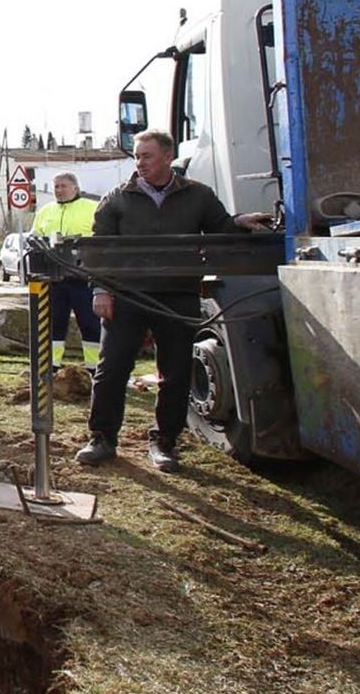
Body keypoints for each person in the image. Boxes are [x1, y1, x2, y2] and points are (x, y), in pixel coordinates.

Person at [77, 129, 271, 473]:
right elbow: (99, 249)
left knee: (176, 372)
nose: (140, 163)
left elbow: (220, 227)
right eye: (137, 157)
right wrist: (100, 290)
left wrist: (239, 222)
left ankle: (164, 442)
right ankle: (101, 438)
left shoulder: (198, 196)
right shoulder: (117, 198)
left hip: (177, 295)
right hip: (126, 296)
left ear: (168, 157)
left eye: (147, 156)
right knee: (112, 370)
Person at [30, 172, 100, 367]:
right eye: (56, 187)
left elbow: (101, 238)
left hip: (83, 277)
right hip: (54, 279)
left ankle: (93, 368)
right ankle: (51, 365)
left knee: (89, 323)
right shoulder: (45, 211)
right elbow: (35, 238)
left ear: (75, 188)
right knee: (53, 324)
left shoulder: (92, 208)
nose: (59, 190)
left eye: (63, 186)